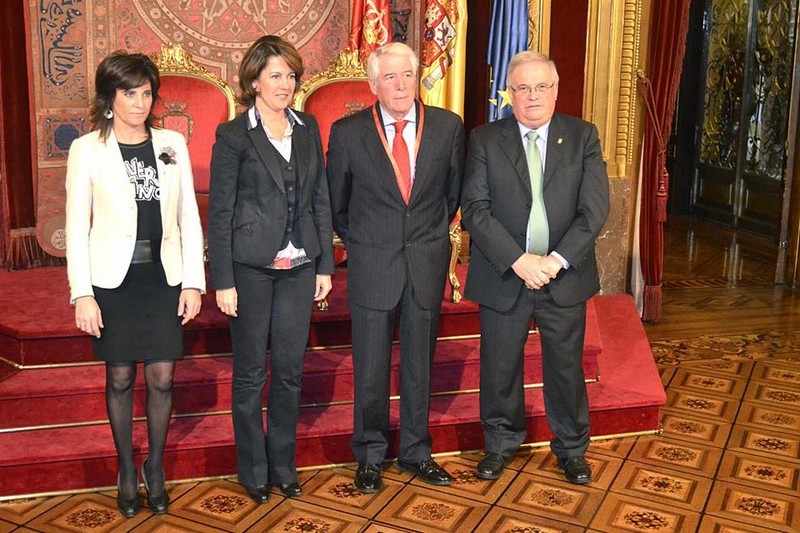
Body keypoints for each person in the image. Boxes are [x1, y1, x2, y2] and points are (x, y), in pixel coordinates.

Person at [65, 51, 205, 517]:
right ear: (110, 98)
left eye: (146, 93)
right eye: (130, 93)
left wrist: (193, 282)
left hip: (163, 275)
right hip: (113, 281)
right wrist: (82, 293)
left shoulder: (171, 143)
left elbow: (188, 216)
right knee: (121, 375)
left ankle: (155, 465)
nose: (141, 102)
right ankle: (127, 466)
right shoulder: (87, 149)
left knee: (163, 376)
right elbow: (77, 226)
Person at [461, 51, 609, 485]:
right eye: (522, 87)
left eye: (541, 86)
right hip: (505, 274)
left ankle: (572, 450)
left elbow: (594, 210)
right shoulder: (485, 139)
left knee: (565, 368)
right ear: (510, 93)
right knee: (499, 366)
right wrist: (519, 260)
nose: (532, 96)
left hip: (563, 276)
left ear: (555, 90)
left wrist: (555, 261)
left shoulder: (582, 136)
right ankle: (500, 444)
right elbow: (475, 209)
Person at [327, 42, 464, 494]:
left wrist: (424, 237)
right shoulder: (347, 133)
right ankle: (369, 455)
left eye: (407, 74)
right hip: (372, 265)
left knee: (420, 365)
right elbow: (338, 205)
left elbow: (452, 194)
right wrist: (368, 243)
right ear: (373, 84)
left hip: (425, 262)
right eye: (389, 77)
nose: (401, 84)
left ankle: (416, 452)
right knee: (370, 366)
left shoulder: (448, 127)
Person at [207, 35, 334, 504]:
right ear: (255, 81)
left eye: (291, 75)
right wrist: (223, 279)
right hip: (251, 270)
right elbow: (220, 212)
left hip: (300, 268)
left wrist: (324, 264)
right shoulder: (233, 135)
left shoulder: (308, 126)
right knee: (250, 374)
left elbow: (320, 199)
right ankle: (253, 470)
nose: (286, 84)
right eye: (275, 75)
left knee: (289, 371)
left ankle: (283, 466)